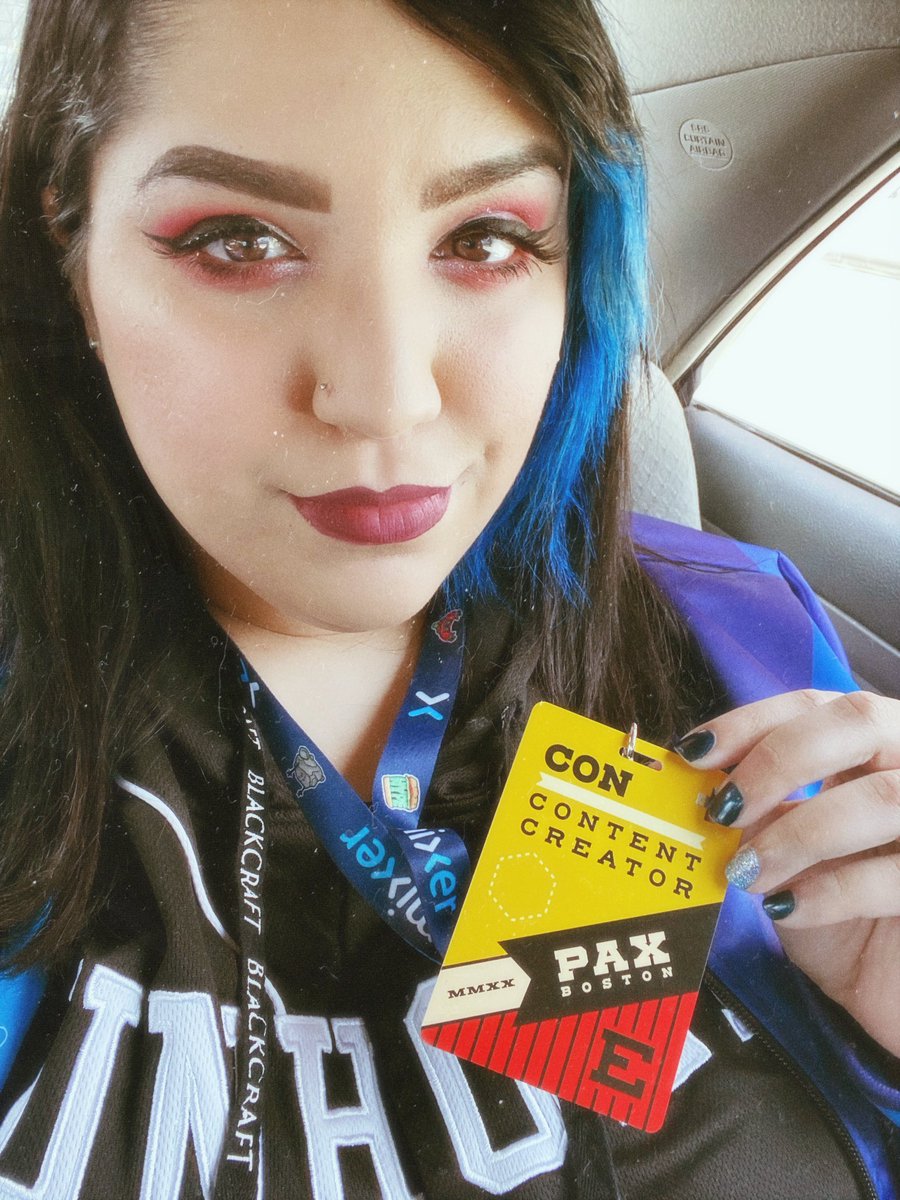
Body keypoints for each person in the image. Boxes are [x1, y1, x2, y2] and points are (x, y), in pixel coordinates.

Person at [0, 0, 897, 1196]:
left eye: (485, 237)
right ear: (70, 255)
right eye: (237, 240)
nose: (386, 398)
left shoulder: (734, 646)